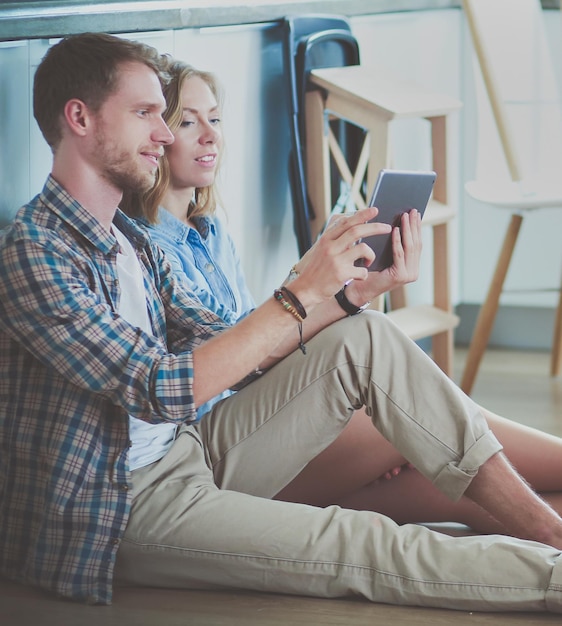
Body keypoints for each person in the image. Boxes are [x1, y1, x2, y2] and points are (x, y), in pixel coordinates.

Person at [2, 33, 562, 614]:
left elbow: (234, 349)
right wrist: (299, 290)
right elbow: (160, 386)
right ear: (80, 118)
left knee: (366, 337)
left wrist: (347, 298)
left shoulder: (128, 240)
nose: (164, 133)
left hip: (190, 449)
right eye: (146, 114)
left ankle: (547, 529)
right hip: (121, 503)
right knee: (358, 538)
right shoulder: (35, 252)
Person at [122, 57, 562, 531]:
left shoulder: (210, 233)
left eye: (215, 118)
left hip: (260, 424)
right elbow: (246, 361)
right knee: (409, 415)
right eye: (187, 122)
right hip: (218, 450)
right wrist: (323, 292)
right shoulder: (145, 246)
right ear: (156, 136)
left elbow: (261, 351)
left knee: (460, 468)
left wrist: (357, 293)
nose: (210, 134)